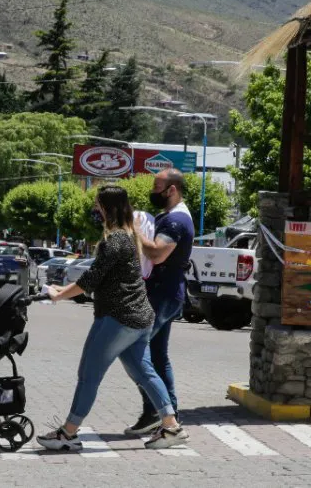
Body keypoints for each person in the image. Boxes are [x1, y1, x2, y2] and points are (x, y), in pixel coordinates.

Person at [38, 186, 189, 451]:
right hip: (141, 318)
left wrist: (58, 295)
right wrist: (63, 290)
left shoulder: (115, 239)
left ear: (107, 208)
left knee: (89, 374)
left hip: (118, 318)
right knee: (144, 372)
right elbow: (103, 277)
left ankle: (68, 433)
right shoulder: (130, 236)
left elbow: (91, 279)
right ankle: (171, 427)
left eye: (98, 205)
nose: (95, 210)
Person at [124, 168, 194, 436]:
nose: (153, 192)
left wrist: (135, 231)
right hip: (166, 293)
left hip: (162, 296)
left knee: (132, 351)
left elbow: (157, 254)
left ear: (171, 190)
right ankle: (164, 412)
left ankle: (160, 412)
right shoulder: (171, 216)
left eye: (156, 187)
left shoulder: (176, 220)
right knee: (157, 356)